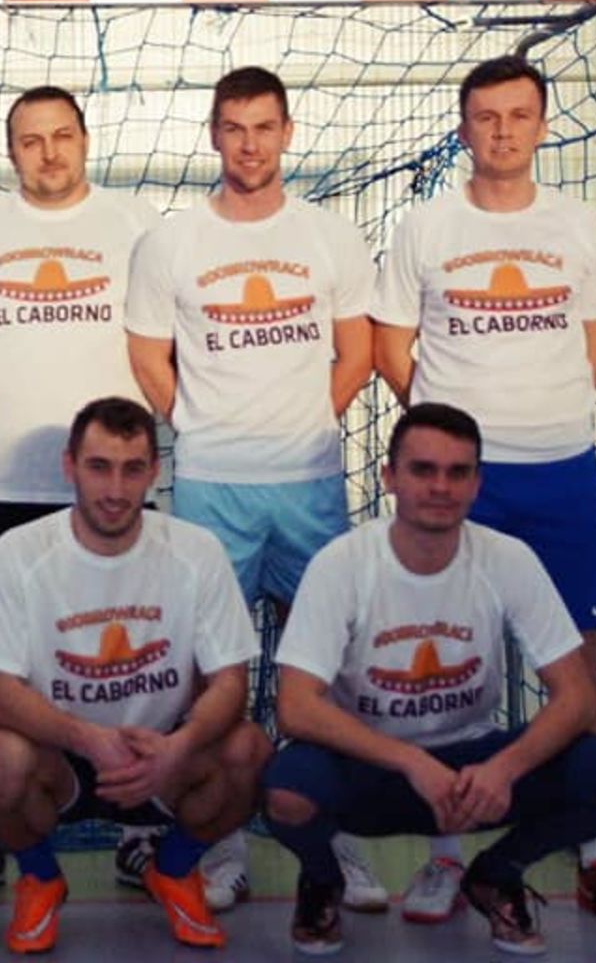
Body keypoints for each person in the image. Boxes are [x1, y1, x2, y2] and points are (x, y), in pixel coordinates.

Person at [371, 56, 596, 926]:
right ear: (464, 128)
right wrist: (451, 448)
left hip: (559, 471)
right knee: (449, 671)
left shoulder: (580, 227)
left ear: (542, 125)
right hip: (462, 484)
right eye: (487, 116)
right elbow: (391, 346)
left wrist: (536, 414)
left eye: (518, 115)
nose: (502, 131)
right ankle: (445, 859)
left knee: (577, 666)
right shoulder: (425, 227)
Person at [125, 66, 386, 913]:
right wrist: (199, 426)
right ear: (214, 134)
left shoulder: (329, 237)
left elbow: (357, 350)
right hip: (212, 487)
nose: (249, 144)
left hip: (308, 483)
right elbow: (146, 353)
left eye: (263, 127)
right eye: (234, 128)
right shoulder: (171, 243)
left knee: (327, 669)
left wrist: (304, 423)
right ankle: (220, 845)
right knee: (215, 675)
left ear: (287, 132)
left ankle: (335, 844)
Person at [262, 403, 596, 955]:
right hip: (374, 767)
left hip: (476, 768)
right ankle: (323, 880)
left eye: (457, 472)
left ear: (477, 483)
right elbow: (296, 707)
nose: (440, 487)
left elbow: (577, 695)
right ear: (390, 477)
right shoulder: (342, 563)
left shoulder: (507, 558)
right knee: (286, 792)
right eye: (423, 470)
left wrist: (504, 768)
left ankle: (498, 873)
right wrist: (410, 761)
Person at [0, 84, 165, 902]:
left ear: (85, 140)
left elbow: (161, 346)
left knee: (135, 655)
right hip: (1, 482)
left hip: (111, 481)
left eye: (62, 135)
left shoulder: (136, 226)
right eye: (31, 140)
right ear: (11, 153)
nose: (49, 152)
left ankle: (141, 830)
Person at [0, 396, 270, 953]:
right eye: (99, 467)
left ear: (154, 471)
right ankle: (40, 878)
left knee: (249, 750)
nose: (115, 489)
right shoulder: (19, 552)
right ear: (70, 467)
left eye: (132, 470)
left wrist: (178, 747)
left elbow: (230, 681)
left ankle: (173, 870)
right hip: (59, 757)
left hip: (161, 756)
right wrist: (85, 738)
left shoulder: (196, 551)